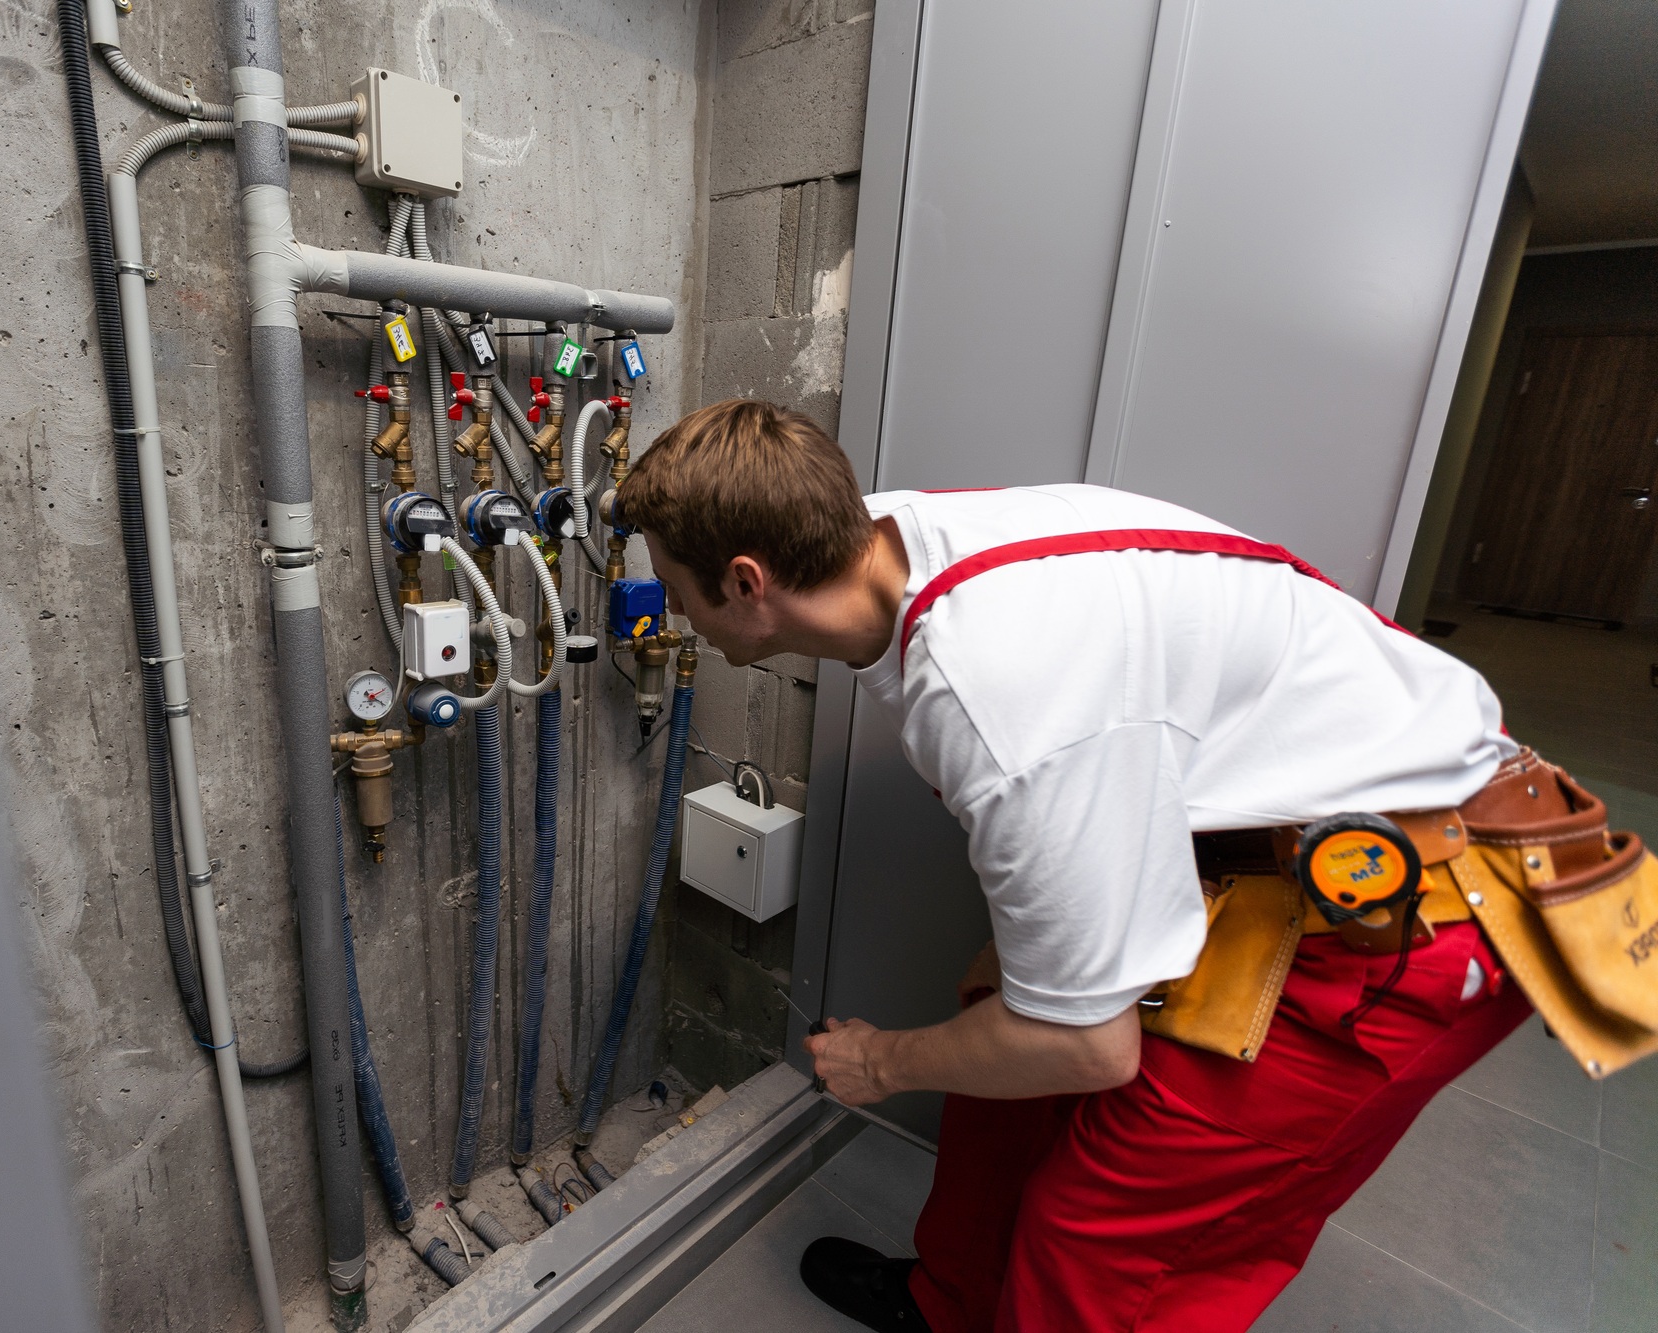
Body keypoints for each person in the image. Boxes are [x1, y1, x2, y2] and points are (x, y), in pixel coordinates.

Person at [614, 398, 1538, 1332]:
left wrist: (883, 1062)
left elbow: (1092, 1047)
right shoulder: (878, 539)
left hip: (1405, 917)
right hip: (1261, 852)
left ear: (745, 581)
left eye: (675, 588)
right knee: (1001, 1040)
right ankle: (952, 1305)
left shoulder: (994, 691)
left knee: (1098, 1244)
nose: (674, 611)